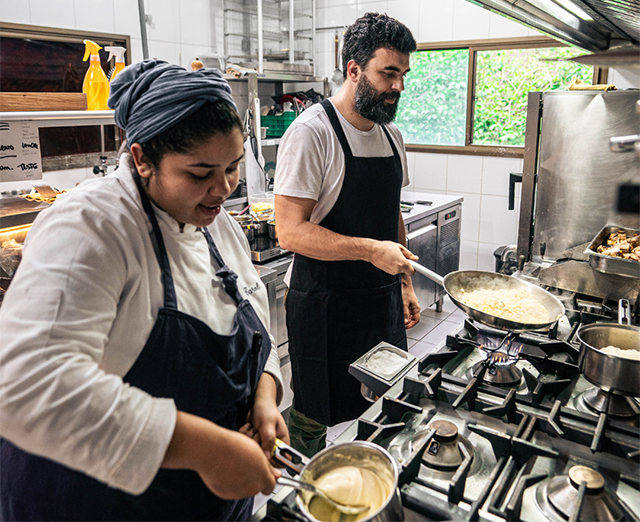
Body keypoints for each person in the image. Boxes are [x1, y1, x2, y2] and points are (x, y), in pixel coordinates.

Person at [0, 60, 289, 521]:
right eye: (199, 174)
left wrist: (264, 394)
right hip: (93, 502)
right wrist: (209, 451)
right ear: (141, 159)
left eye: (233, 167)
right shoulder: (91, 227)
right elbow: (25, 387)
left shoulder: (217, 226)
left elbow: (254, 317)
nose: (222, 188)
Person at [274, 12, 420, 457]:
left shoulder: (391, 136)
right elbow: (289, 232)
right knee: (314, 412)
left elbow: (390, 211)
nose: (397, 86)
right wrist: (369, 251)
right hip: (324, 305)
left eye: (403, 75)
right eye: (388, 73)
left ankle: (372, 476)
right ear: (354, 70)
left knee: (387, 403)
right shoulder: (311, 133)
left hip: (379, 300)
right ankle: (304, 485)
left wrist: (405, 282)